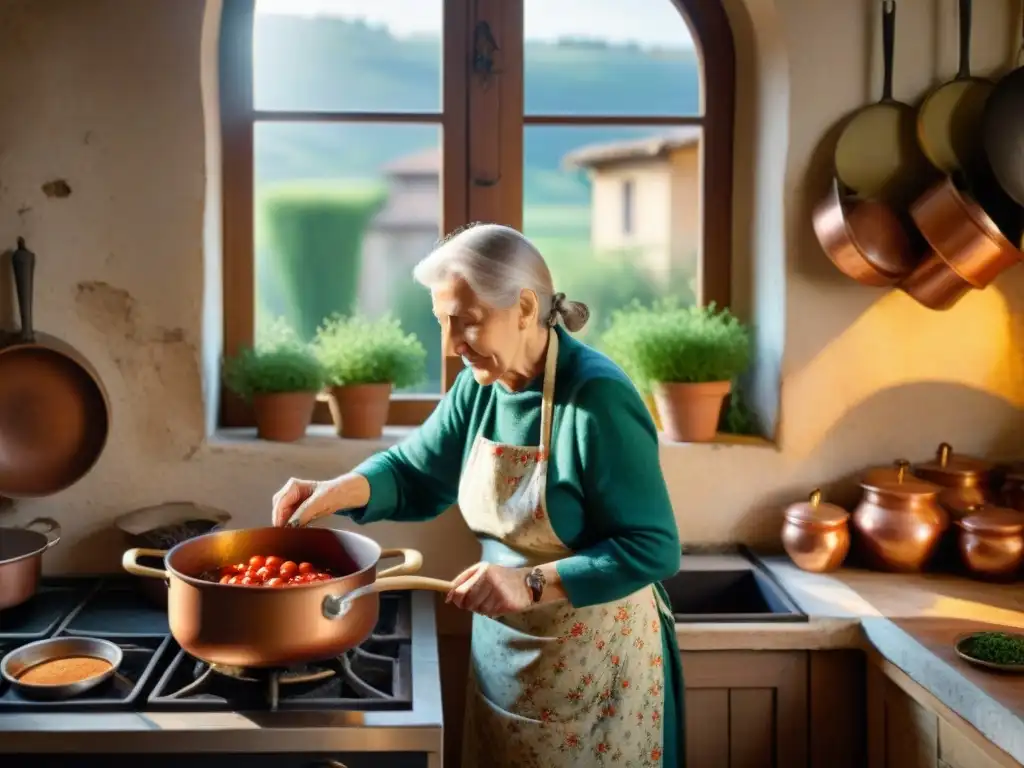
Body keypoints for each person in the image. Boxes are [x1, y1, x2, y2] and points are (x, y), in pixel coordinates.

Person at [271, 223, 685, 767]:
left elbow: (654, 548)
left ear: (525, 306)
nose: (449, 346)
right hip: (505, 655)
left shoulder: (597, 398)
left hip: (596, 670)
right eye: (443, 323)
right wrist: (335, 491)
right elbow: (418, 471)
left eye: (465, 323)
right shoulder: (481, 384)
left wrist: (530, 582)